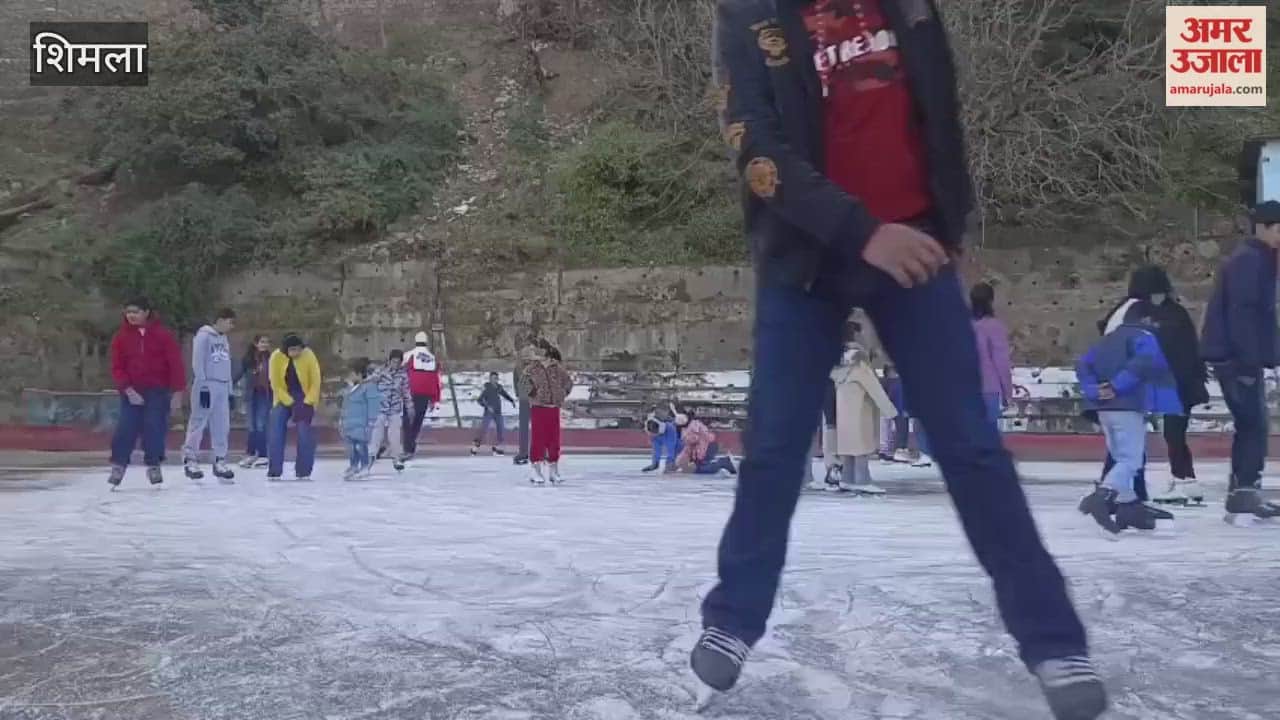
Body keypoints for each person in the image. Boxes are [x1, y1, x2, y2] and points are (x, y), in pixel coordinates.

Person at [694, 3, 1105, 717]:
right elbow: (755, 148)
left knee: (972, 446)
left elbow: (939, 108)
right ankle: (733, 619)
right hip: (809, 254)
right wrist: (860, 232)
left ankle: (1053, 639)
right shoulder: (752, 13)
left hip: (916, 244)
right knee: (775, 444)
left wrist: (949, 223)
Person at [1099, 267, 1210, 506]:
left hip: (1171, 381)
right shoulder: (1171, 312)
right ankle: (1185, 480)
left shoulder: (1144, 312)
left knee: (1161, 433)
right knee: (1173, 433)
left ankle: (1179, 481)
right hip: (1179, 380)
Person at [1201, 200, 1280, 523]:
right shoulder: (1250, 260)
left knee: (1251, 424)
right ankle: (1245, 490)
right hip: (1236, 358)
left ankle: (1241, 491)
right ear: (1263, 227)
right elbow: (1243, 313)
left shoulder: (1256, 258)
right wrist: (1250, 359)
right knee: (1254, 425)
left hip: (1235, 356)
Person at [1076, 313, 1184, 534]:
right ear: (1145, 318)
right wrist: (1117, 385)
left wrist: (1095, 390)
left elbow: (1083, 364)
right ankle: (1103, 494)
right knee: (1131, 460)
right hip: (1129, 405)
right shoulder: (1144, 337)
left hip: (1103, 408)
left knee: (1119, 457)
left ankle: (1127, 505)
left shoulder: (1105, 340)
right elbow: (1144, 362)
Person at [107, 296, 185, 488]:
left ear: (146, 313)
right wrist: (127, 389)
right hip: (131, 391)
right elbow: (117, 366)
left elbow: (175, 364)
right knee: (126, 429)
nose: (131, 316)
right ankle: (119, 465)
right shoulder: (121, 337)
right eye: (128, 312)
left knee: (154, 429)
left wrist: (177, 392)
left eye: (136, 312)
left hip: (157, 390)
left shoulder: (162, 335)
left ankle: (154, 464)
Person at [818, 336, 898, 495]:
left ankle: (847, 479)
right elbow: (876, 390)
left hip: (843, 417)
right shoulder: (860, 367)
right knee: (861, 447)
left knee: (847, 449)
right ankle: (863, 480)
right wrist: (891, 412)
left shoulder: (837, 369)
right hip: (861, 414)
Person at [181, 308, 237, 483]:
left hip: (222, 385)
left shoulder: (224, 339)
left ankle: (220, 459)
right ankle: (190, 458)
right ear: (220, 320)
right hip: (206, 385)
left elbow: (227, 364)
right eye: (230, 322)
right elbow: (197, 362)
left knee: (222, 424)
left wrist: (229, 391)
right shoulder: (203, 336)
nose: (231, 326)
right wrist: (203, 385)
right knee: (199, 420)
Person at [267, 334, 322, 481]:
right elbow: (276, 384)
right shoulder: (276, 357)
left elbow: (316, 381)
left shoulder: (309, 355)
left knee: (305, 433)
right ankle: (274, 470)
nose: (296, 353)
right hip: (283, 397)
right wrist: (289, 402)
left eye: (298, 349)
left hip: (304, 397)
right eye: (292, 350)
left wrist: (308, 402)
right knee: (276, 431)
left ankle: (303, 471)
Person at [519, 341, 573, 485]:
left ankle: (553, 469)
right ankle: (536, 469)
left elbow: (568, 382)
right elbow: (522, 387)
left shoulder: (557, 369)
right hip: (538, 407)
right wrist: (534, 393)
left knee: (554, 439)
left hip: (553, 407)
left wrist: (562, 394)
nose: (540, 354)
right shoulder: (531, 369)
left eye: (543, 351)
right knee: (538, 439)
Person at [971, 282, 1014, 430]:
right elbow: (1001, 361)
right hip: (989, 388)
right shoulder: (994, 326)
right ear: (991, 300)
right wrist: (1008, 391)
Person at [340, 357, 381, 481]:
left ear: (359, 374)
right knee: (352, 447)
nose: (349, 377)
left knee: (360, 446)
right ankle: (353, 466)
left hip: (362, 423)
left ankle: (364, 466)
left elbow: (374, 404)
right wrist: (342, 419)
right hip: (350, 423)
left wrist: (371, 420)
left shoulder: (369, 387)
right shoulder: (350, 389)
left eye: (351, 374)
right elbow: (345, 405)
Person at [402, 331, 442, 458]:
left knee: (407, 420)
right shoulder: (433, 358)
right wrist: (435, 399)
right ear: (426, 342)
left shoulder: (408, 355)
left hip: (410, 392)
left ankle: (408, 447)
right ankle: (411, 444)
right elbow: (437, 379)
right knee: (418, 420)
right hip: (425, 394)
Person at [236, 335, 273, 469]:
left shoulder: (271, 358)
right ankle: (251, 454)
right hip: (251, 394)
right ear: (256, 343)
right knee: (251, 425)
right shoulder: (249, 359)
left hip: (264, 393)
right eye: (262, 342)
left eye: (267, 342)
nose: (265, 344)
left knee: (260, 424)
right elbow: (240, 373)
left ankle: (263, 455)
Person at [371, 349, 409, 472]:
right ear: (389, 360)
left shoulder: (403, 375)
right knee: (377, 432)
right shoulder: (380, 371)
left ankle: (396, 458)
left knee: (395, 434)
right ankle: (371, 456)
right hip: (381, 406)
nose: (395, 364)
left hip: (395, 407)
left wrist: (410, 405)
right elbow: (371, 384)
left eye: (398, 362)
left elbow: (406, 391)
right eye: (394, 361)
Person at [674, 410, 737, 475]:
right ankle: (725, 463)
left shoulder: (693, 426)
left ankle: (723, 462)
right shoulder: (689, 427)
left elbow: (696, 442)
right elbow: (689, 446)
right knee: (700, 467)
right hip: (707, 446)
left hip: (707, 446)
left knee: (702, 469)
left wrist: (686, 460)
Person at [473, 371, 516, 455]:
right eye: (492, 378)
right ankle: (475, 447)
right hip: (488, 413)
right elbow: (479, 400)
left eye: (496, 378)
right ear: (490, 379)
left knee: (501, 429)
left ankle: (497, 448)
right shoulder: (487, 388)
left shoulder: (499, 387)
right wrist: (487, 407)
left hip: (498, 412)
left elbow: (504, 394)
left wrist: (511, 401)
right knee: (484, 429)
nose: (494, 380)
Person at [512, 341, 540, 465]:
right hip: (529, 399)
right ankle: (529, 452)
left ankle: (528, 452)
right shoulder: (532, 368)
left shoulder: (522, 368)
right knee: (530, 427)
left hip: (530, 399)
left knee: (531, 427)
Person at [642, 403, 683, 473]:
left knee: (674, 447)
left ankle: (671, 463)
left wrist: (669, 463)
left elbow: (671, 447)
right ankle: (656, 463)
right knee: (656, 447)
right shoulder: (648, 419)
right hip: (657, 431)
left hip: (668, 431)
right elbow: (656, 449)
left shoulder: (668, 425)